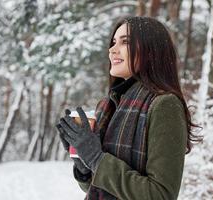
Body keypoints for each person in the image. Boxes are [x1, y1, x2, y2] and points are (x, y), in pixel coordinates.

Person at [56, 16, 201, 200]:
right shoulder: (108, 105)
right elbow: (97, 187)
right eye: (113, 42)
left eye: (125, 42)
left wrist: (96, 158)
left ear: (151, 50)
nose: (112, 50)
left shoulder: (165, 105)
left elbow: (161, 195)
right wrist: (83, 161)